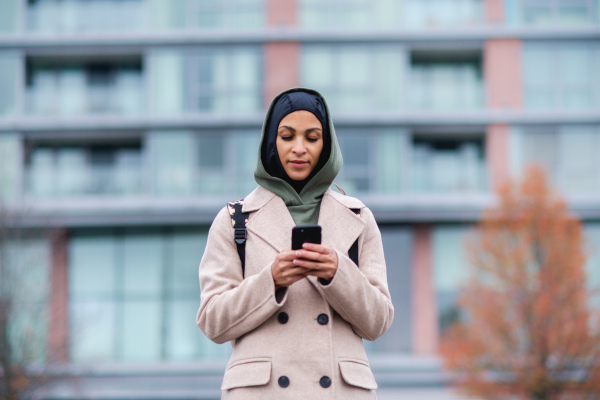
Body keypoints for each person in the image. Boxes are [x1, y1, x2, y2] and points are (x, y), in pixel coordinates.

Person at [196, 87, 394, 399]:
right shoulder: (235, 220)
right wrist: (270, 281)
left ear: (326, 144)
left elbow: (378, 322)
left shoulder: (358, 217)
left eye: (312, 138)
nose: (299, 148)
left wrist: (338, 273)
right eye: (287, 136)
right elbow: (212, 321)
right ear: (271, 141)